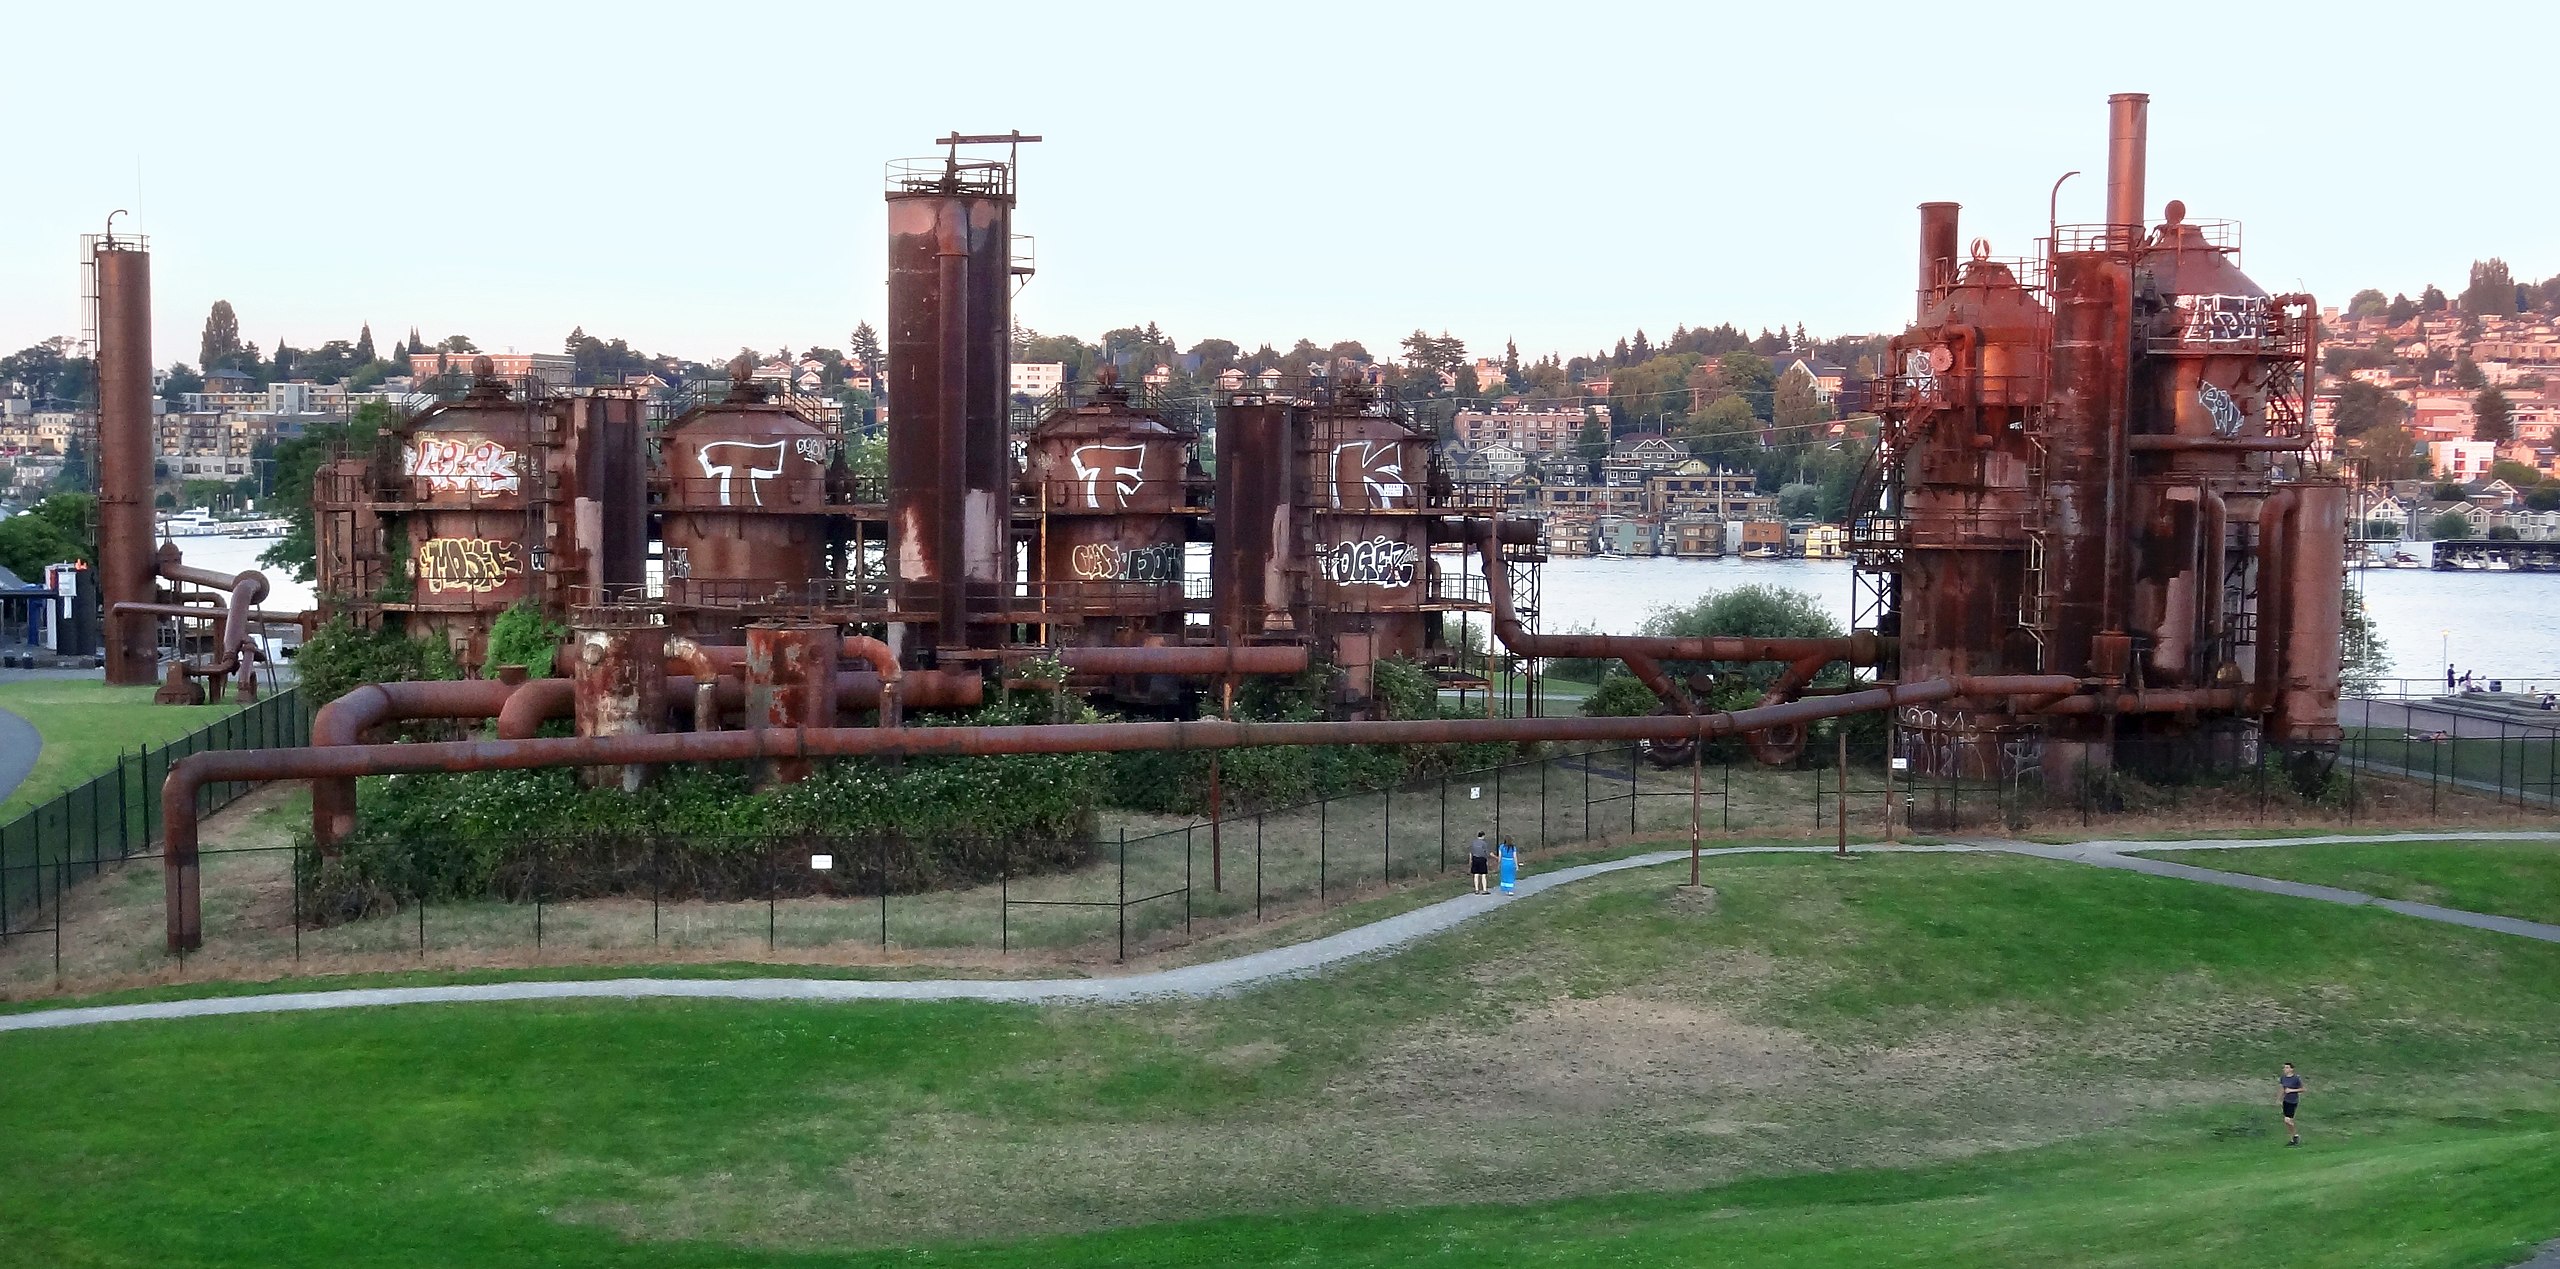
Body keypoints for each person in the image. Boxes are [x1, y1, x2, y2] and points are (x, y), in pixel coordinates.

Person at [2278, 1063, 2304, 1146]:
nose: (2285, 1069)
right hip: (2286, 1101)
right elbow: (2282, 1088)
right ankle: (2293, 1138)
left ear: (2291, 1069)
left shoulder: (2296, 1078)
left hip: (2293, 1101)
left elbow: (2303, 1089)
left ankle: (2295, 1136)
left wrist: (2291, 1090)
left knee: (2287, 1120)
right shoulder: (2283, 1078)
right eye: (2284, 1067)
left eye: (2287, 1067)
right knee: (2288, 1121)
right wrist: (2279, 1098)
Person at [1468, 831, 1492, 895]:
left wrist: (1470, 860)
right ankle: (1484, 889)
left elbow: (1471, 852)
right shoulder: (1484, 843)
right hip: (1482, 859)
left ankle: (1476, 889)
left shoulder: (1473, 842)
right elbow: (1486, 852)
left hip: (1475, 858)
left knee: (1476, 874)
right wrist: (1487, 859)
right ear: (1483, 836)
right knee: (1483, 874)